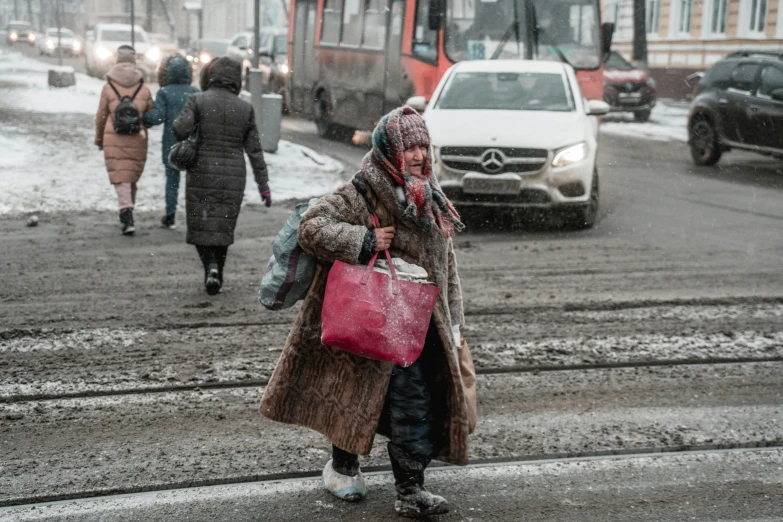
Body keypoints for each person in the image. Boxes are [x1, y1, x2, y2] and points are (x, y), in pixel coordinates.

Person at [260, 106, 475, 518]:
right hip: (369, 319)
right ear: (390, 149)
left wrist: (455, 319)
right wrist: (365, 239)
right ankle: (343, 469)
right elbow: (312, 226)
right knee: (358, 399)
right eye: (409, 146)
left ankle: (410, 490)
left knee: (412, 403)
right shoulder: (362, 191)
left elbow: (447, 265)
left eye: (423, 146)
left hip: (418, 322)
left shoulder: (429, 194)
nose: (418, 155)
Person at [172, 57, 271, 295]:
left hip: (202, 172)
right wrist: (263, 185)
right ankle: (217, 271)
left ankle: (210, 267)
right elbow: (255, 151)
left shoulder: (198, 100)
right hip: (233, 175)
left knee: (201, 226)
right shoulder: (245, 108)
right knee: (222, 229)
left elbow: (179, 130)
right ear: (236, 80)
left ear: (210, 75)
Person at [94, 45, 153, 236]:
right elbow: (150, 115)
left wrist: (99, 139)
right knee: (131, 176)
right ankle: (128, 211)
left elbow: (101, 116)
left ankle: (126, 212)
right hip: (137, 137)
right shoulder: (143, 88)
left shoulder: (108, 87)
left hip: (114, 136)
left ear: (117, 61)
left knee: (122, 177)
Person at [142, 54, 198, 230]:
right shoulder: (195, 93)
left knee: (171, 180)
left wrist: (143, 116)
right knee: (193, 181)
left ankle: (170, 215)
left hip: (170, 143)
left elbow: (158, 117)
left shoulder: (164, 92)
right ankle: (194, 215)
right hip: (192, 144)